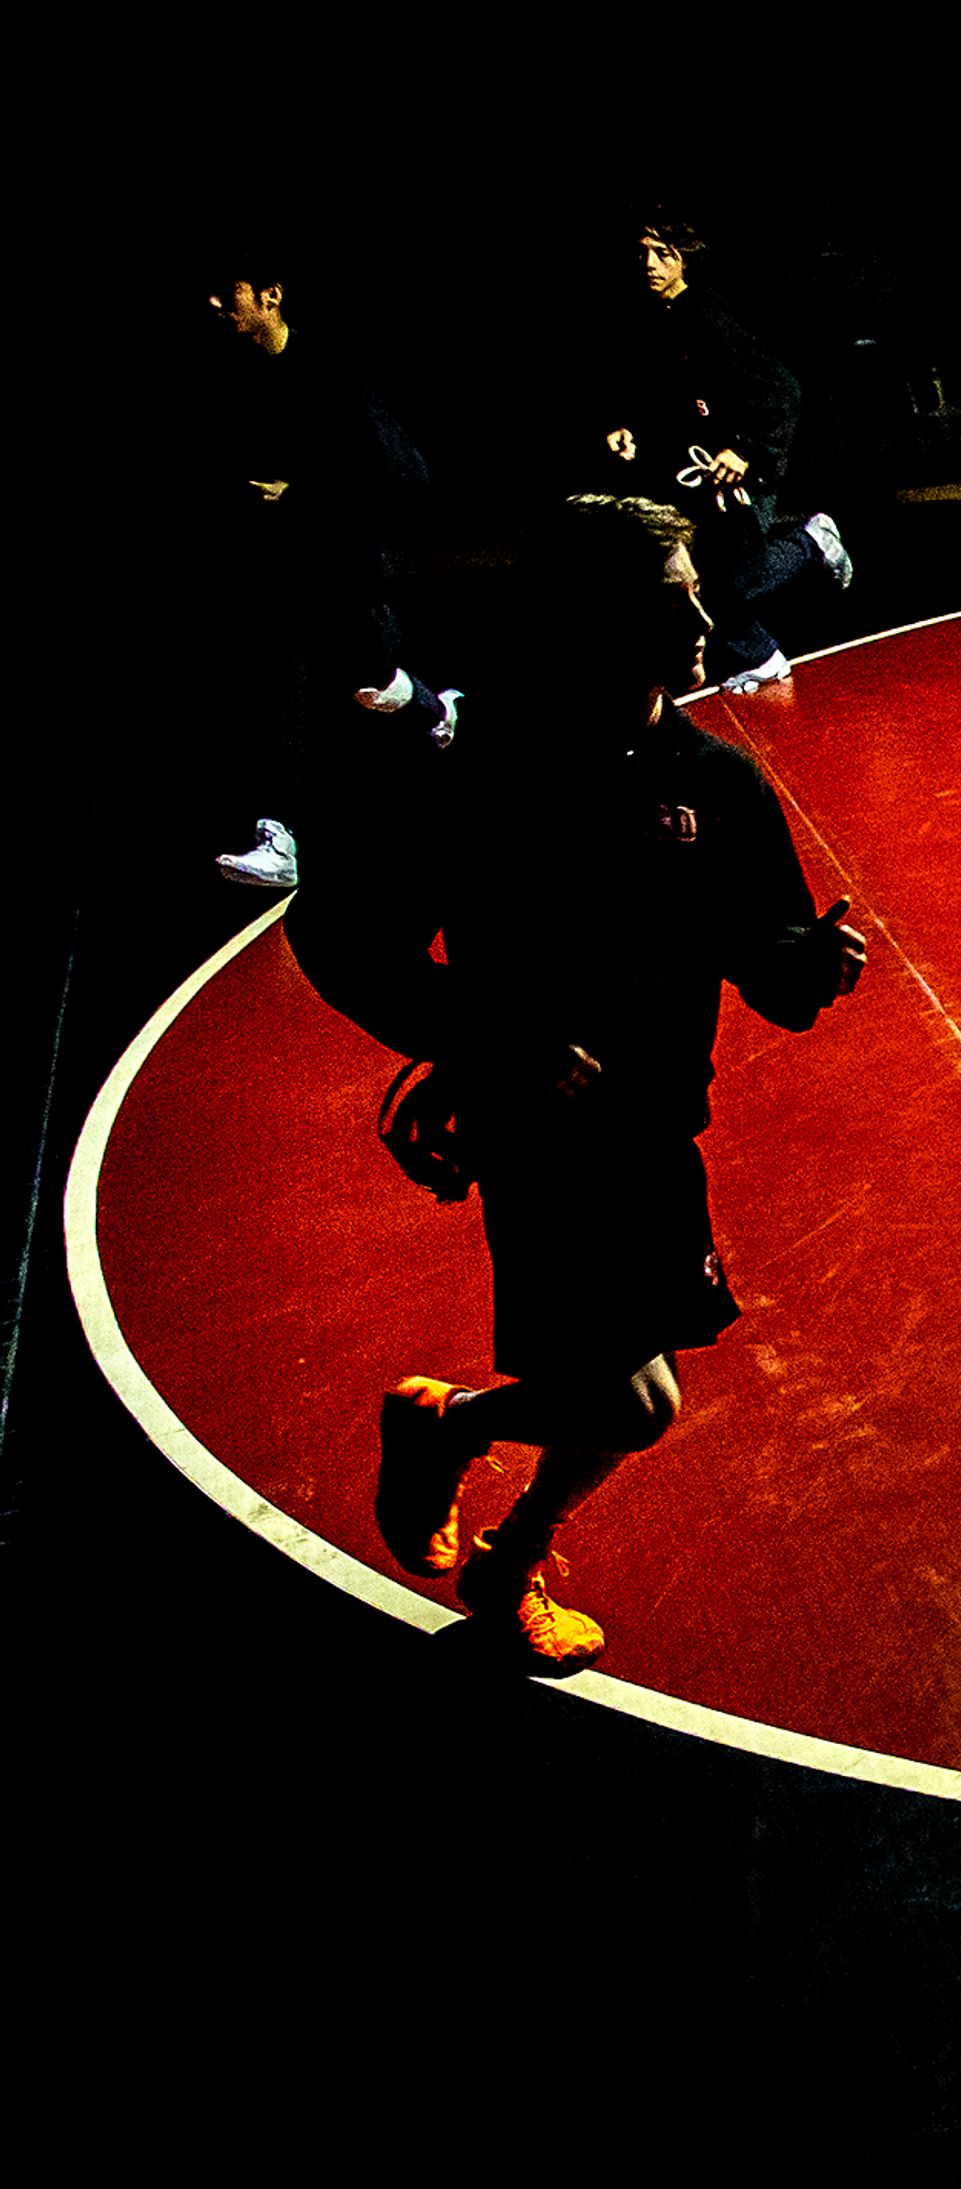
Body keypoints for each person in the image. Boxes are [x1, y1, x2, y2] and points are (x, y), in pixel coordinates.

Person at [287, 494, 870, 1670]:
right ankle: (500, 1542)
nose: (705, 615)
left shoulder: (719, 786)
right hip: (540, 1136)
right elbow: (338, 937)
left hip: (658, 1129)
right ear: (585, 621)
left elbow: (769, 973)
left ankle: (450, 1436)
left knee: (622, 1391)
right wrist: (488, 1037)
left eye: (698, 586)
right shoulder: (480, 777)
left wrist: (809, 967)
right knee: (634, 1404)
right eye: (671, 600)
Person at [199, 255, 440, 888]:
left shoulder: (332, 378)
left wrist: (300, 498)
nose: (216, 306)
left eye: (230, 292)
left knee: (373, 689)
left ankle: (436, 710)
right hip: (282, 577)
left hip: (348, 573)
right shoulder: (231, 379)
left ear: (271, 296)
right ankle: (277, 837)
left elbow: (407, 475)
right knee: (278, 693)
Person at [592, 213, 850, 694]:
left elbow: (782, 390)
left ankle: (810, 544)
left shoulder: (706, 314)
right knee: (700, 576)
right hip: (688, 472)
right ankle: (762, 655)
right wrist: (625, 426)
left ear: (682, 258)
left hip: (738, 473)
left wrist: (746, 450)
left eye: (661, 253)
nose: (649, 264)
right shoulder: (648, 318)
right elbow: (656, 394)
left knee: (733, 582)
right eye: (642, 253)